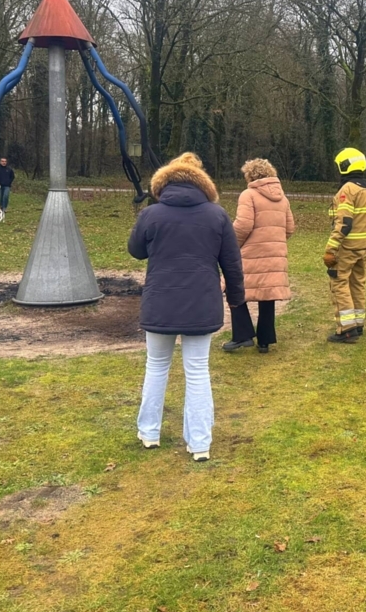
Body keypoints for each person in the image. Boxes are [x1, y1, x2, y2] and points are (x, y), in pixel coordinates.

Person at [127, 152, 245, 462]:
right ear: (203, 184)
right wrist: (236, 298)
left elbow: (135, 251)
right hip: (201, 303)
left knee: (156, 366)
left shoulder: (151, 215)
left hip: (160, 301)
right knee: (197, 371)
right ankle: (200, 443)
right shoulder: (217, 215)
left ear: (163, 183)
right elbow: (232, 264)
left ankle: (149, 432)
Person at [224, 158, 296, 353]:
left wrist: (232, 245)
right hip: (274, 254)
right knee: (267, 296)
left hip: (250, 252)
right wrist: (275, 242)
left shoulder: (249, 195)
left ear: (250, 175)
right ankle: (264, 341)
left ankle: (242, 334)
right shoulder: (283, 198)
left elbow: (243, 225)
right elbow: (290, 228)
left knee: (234, 288)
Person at [324, 147, 366, 343]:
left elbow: (344, 223)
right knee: (358, 284)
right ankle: (358, 324)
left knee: (339, 283)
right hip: (362, 247)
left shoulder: (348, 189)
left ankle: (346, 329)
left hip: (346, 248)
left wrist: (331, 248)